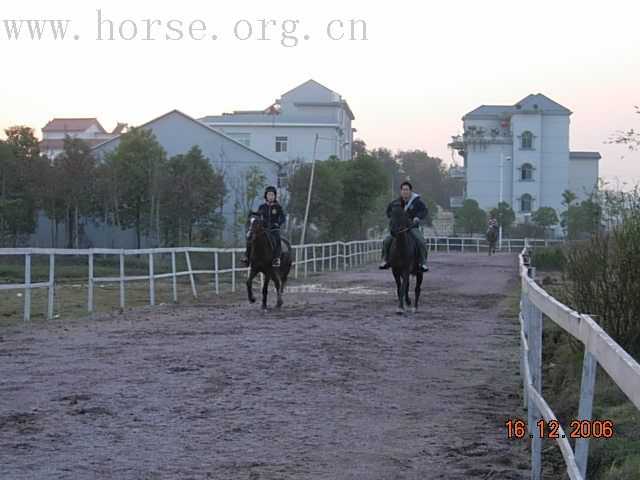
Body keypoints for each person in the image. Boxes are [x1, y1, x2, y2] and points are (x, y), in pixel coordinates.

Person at [379, 181, 429, 272]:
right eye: (403, 189)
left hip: (412, 227)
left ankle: (423, 262)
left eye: (407, 189)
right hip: (399, 229)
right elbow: (388, 211)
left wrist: (417, 217)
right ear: (401, 191)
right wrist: (394, 220)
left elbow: (424, 210)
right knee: (387, 240)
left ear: (410, 191)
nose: (405, 191)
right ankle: (385, 260)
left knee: (421, 241)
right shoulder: (396, 202)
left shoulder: (416, 201)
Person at [243, 186, 286, 268]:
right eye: (269, 195)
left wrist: (277, 223)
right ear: (266, 196)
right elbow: (258, 217)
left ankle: (277, 258)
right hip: (263, 229)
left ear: (275, 196)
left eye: (272, 195)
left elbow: (283, 218)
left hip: (274, 229)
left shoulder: (278, 207)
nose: (270, 197)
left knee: (277, 239)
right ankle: (247, 256)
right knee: (250, 237)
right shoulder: (262, 207)